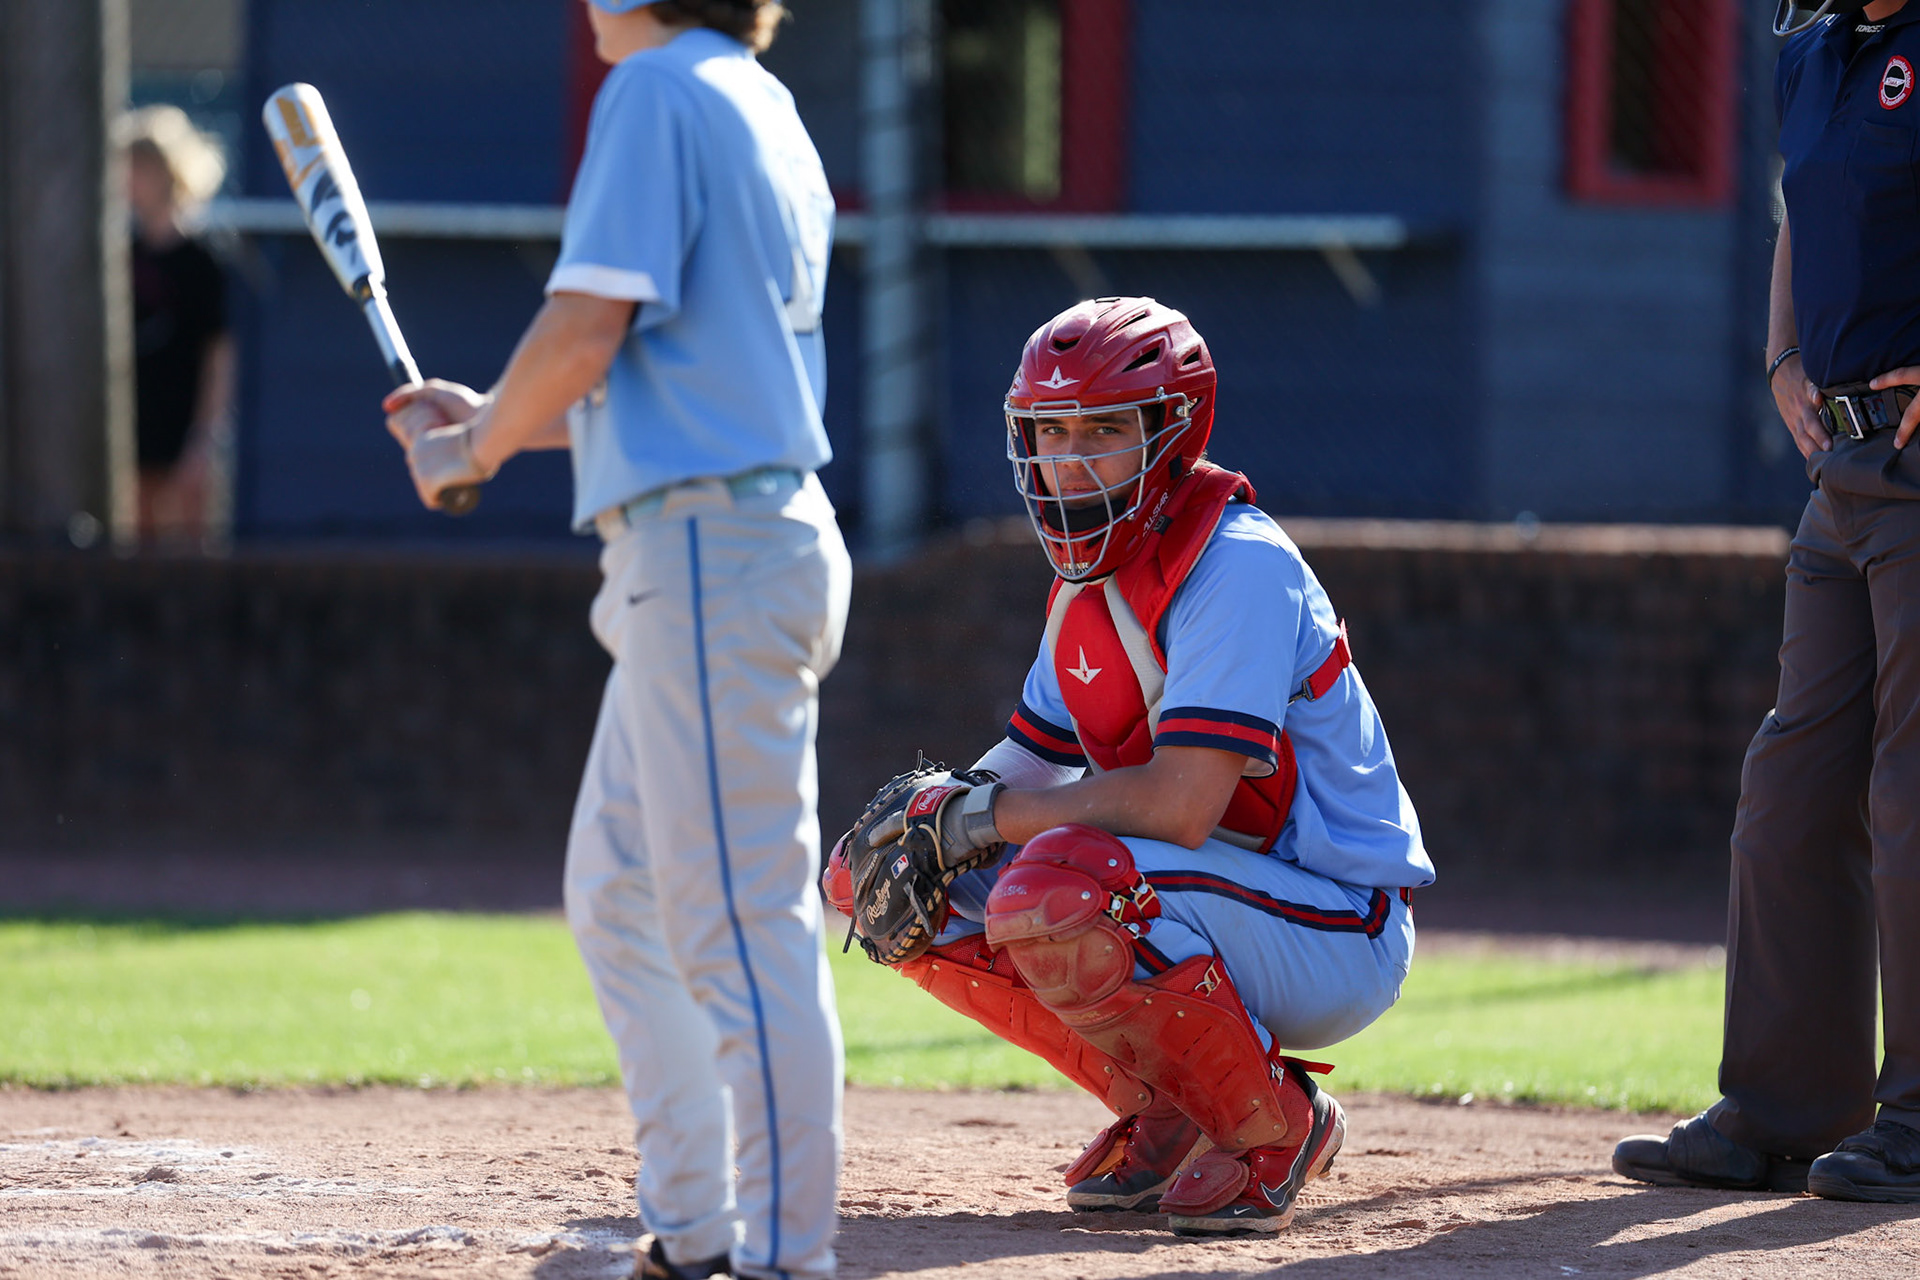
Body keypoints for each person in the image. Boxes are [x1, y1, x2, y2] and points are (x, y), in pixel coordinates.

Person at [381, 3, 848, 1276]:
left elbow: (590, 324)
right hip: (733, 535)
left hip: (710, 552)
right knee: (622, 892)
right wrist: (490, 416)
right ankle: (699, 1227)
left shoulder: (656, 92)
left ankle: (781, 1257)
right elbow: (661, 363)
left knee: (739, 929)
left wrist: (469, 450)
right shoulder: (755, 94)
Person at [824, 297, 1433, 1236]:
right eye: (1050, 432)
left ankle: (1273, 1119)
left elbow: (1182, 804)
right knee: (905, 877)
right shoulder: (1084, 592)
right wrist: (930, 824)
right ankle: (1179, 1110)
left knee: (1059, 880)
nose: (1070, 462)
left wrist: (977, 821)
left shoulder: (1237, 564)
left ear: (1174, 435)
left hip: (1338, 926)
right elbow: (1019, 772)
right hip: (1210, 901)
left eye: (1103, 429)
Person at [1613, 0, 1920, 1204]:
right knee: (1790, 789)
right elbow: (1800, 211)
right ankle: (1785, 1107)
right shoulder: (1813, 50)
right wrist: (1782, 356)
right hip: (1841, 476)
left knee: (1911, 789)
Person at [123, 105, 233, 548]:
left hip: (183, 422)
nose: (130, 182)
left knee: (192, 541)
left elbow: (219, 353)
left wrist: (204, 438)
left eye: (141, 170)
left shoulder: (202, 261)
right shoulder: (122, 255)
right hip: (136, 419)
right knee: (137, 535)